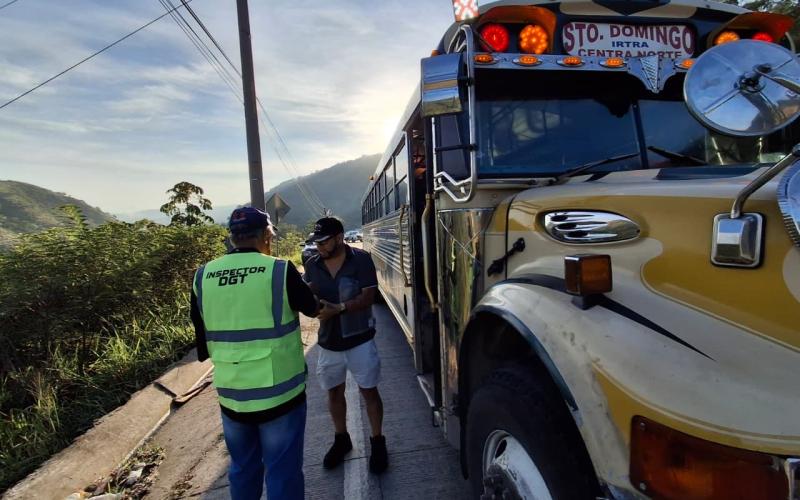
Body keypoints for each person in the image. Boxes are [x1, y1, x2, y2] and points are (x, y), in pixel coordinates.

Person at [190, 207, 318, 500]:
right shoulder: (279, 269)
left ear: (233, 237)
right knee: (282, 470)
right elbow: (313, 307)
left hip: (232, 394)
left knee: (242, 468)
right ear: (266, 235)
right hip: (280, 394)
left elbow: (202, 334)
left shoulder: (203, 275)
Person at [303, 217, 389, 474]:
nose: (319, 246)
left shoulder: (361, 260)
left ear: (339, 238)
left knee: (369, 392)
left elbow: (368, 297)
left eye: (324, 241)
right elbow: (310, 294)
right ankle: (342, 439)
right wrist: (312, 305)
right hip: (329, 342)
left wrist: (338, 308)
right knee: (333, 393)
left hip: (360, 339)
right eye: (316, 241)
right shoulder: (312, 264)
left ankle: (378, 442)